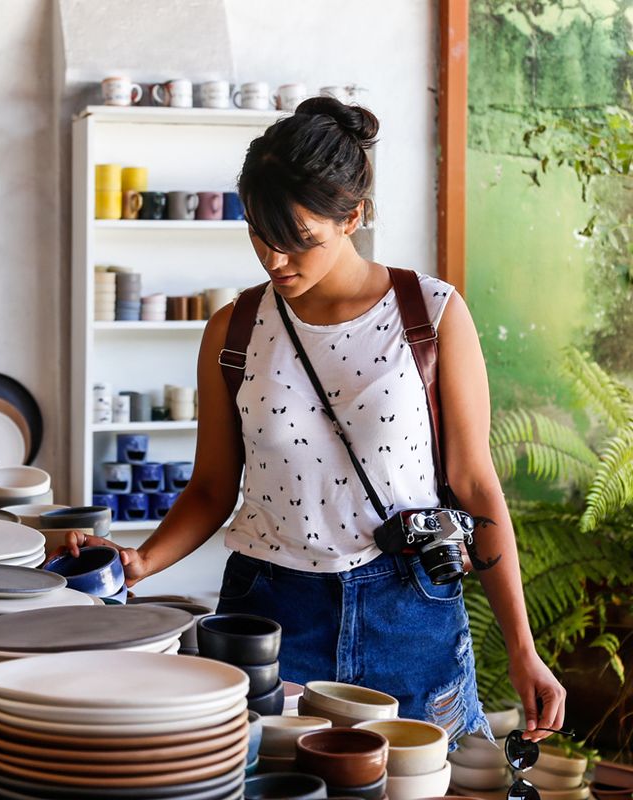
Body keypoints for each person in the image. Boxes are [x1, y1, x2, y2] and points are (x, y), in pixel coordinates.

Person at [67, 97, 565, 742]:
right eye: (259, 234)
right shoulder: (235, 329)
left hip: (409, 609)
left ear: (352, 215)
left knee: (422, 784)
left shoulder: (431, 316)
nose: (275, 260)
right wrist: (139, 562)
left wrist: (523, 649)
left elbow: (474, 486)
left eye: (299, 239)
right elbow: (213, 489)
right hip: (270, 612)